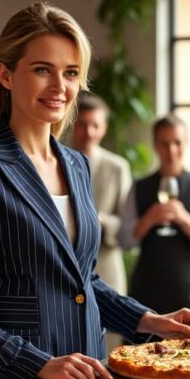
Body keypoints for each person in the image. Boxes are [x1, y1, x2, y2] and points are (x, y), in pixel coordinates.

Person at [0, 2, 190, 379]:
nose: (59, 87)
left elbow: (82, 282)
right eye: (41, 70)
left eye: (70, 73)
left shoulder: (78, 166)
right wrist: (40, 364)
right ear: (6, 75)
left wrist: (149, 320)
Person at [118, 115, 190, 313]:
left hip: (188, 291)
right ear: (155, 146)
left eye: (177, 143)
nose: (171, 151)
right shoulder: (138, 188)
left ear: (186, 143)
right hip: (144, 293)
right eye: (165, 144)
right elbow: (123, 240)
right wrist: (147, 220)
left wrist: (185, 220)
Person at [69, 93, 133, 295]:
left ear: (104, 128)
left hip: (106, 265)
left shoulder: (118, 167)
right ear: (71, 124)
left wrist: (101, 220)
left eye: (95, 125)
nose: (89, 132)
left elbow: (127, 223)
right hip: (67, 264)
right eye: (82, 124)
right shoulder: (55, 162)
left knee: (115, 322)